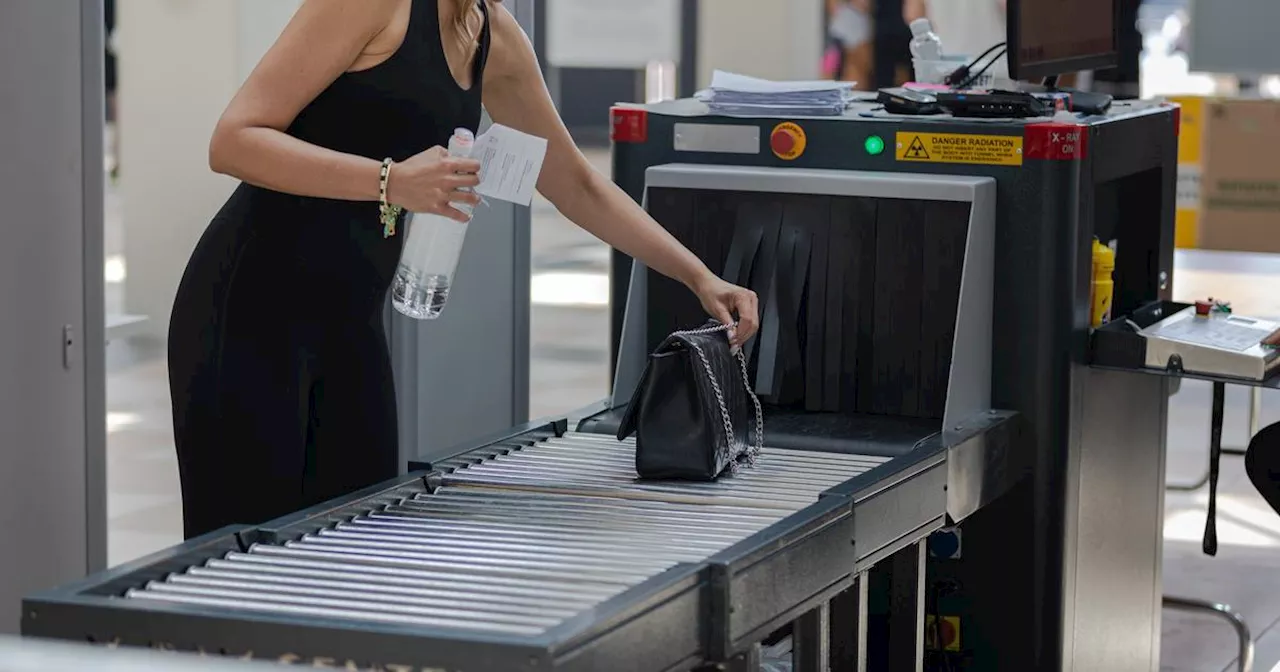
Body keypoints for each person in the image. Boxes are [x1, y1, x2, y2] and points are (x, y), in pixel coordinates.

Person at [168, 0, 761, 540]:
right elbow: (234, 140)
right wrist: (390, 180)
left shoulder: (492, 36)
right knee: (238, 561)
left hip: (349, 326)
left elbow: (577, 185)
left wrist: (698, 276)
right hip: (248, 312)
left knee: (354, 549)